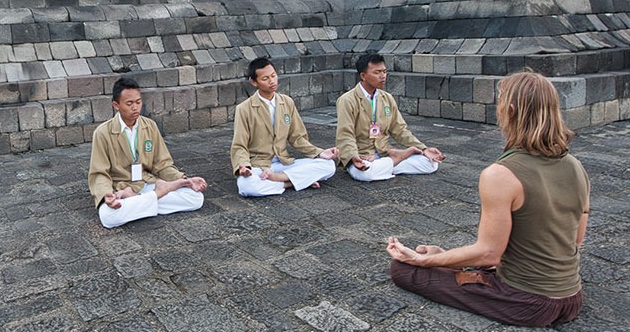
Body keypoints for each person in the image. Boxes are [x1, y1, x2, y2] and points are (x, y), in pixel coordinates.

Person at [386, 71, 590, 327]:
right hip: (572, 298)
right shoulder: (576, 167)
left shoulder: (500, 175)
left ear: (511, 110)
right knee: (453, 264)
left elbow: (488, 255)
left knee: (403, 270)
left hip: (529, 303)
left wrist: (424, 261)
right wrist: (448, 258)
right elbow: (575, 241)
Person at [88, 77, 208, 228]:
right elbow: (99, 174)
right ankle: (156, 196)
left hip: (147, 183)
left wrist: (185, 179)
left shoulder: (150, 126)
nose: (135, 108)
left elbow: (162, 164)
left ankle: (139, 201)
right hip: (121, 188)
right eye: (129, 103)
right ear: (116, 105)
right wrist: (107, 195)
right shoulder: (103, 132)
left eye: (138, 102)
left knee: (195, 198)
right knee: (107, 217)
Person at [231, 57, 339, 196]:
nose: (272, 81)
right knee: (246, 187)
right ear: (254, 82)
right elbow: (239, 145)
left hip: (284, 163)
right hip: (259, 165)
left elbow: (297, 138)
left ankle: (278, 179)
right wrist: (244, 167)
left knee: (328, 165)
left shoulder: (287, 102)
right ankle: (291, 182)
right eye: (265, 79)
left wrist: (319, 152)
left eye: (273, 75)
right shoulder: (244, 108)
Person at [336, 53, 445, 181]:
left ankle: (387, 163)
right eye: (377, 73)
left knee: (431, 164)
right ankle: (396, 159)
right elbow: (345, 134)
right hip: (362, 156)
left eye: (384, 71)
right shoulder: (347, 100)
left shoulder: (387, 98)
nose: (383, 76)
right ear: (363, 76)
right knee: (365, 174)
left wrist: (424, 148)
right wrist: (353, 156)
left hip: (383, 153)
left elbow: (399, 130)